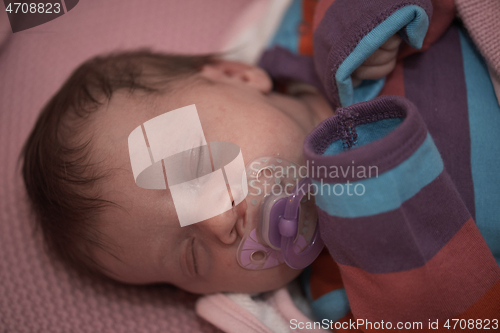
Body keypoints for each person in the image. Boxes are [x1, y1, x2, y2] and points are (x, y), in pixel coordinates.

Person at [21, 0, 500, 327]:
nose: (217, 222)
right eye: (192, 257)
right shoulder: (339, 294)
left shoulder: (315, 41)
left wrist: (362, 24)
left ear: (237, 75)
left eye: (195, 166)